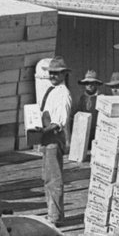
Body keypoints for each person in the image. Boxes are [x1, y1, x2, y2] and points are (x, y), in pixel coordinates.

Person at [34, 57, 77, 226]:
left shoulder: (63, 93)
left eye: (57, 73)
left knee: (53, 178)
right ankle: (52, 213)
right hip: (46, 138)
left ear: (64, 74)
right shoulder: (52, 90)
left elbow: (60, 121)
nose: (53, 76)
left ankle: (55, 217)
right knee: (47, 177)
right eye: (51, 73)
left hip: (53, 137)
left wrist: (42, 131)